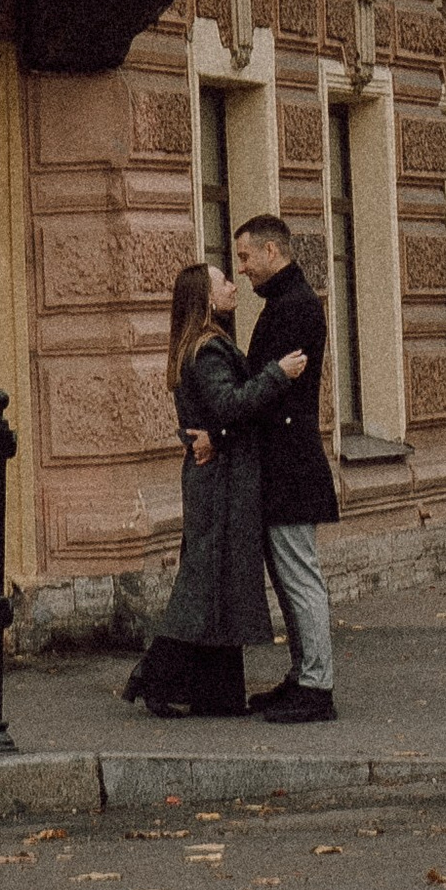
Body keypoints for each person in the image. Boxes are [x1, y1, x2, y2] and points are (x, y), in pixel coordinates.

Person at [125, 262, 308, 720]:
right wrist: (277, 374)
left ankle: (217, 695)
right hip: (220, 480)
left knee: (220, 582)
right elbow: (229, 405)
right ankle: (155, 675)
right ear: (206, 299)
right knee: (205, 581)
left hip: (221, 474)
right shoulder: (207, 350)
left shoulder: (206, 344)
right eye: (224, 281)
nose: (233, 285)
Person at [234, 212, 339, 721]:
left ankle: (316, 686)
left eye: (246, 256)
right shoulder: (288, 301)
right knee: (290, 577)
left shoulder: (292, 307)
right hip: (286, 463)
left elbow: (276, 392)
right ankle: (302, 676)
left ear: (272, 252)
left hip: (290, 465)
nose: (243, 268)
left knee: (299, 578)